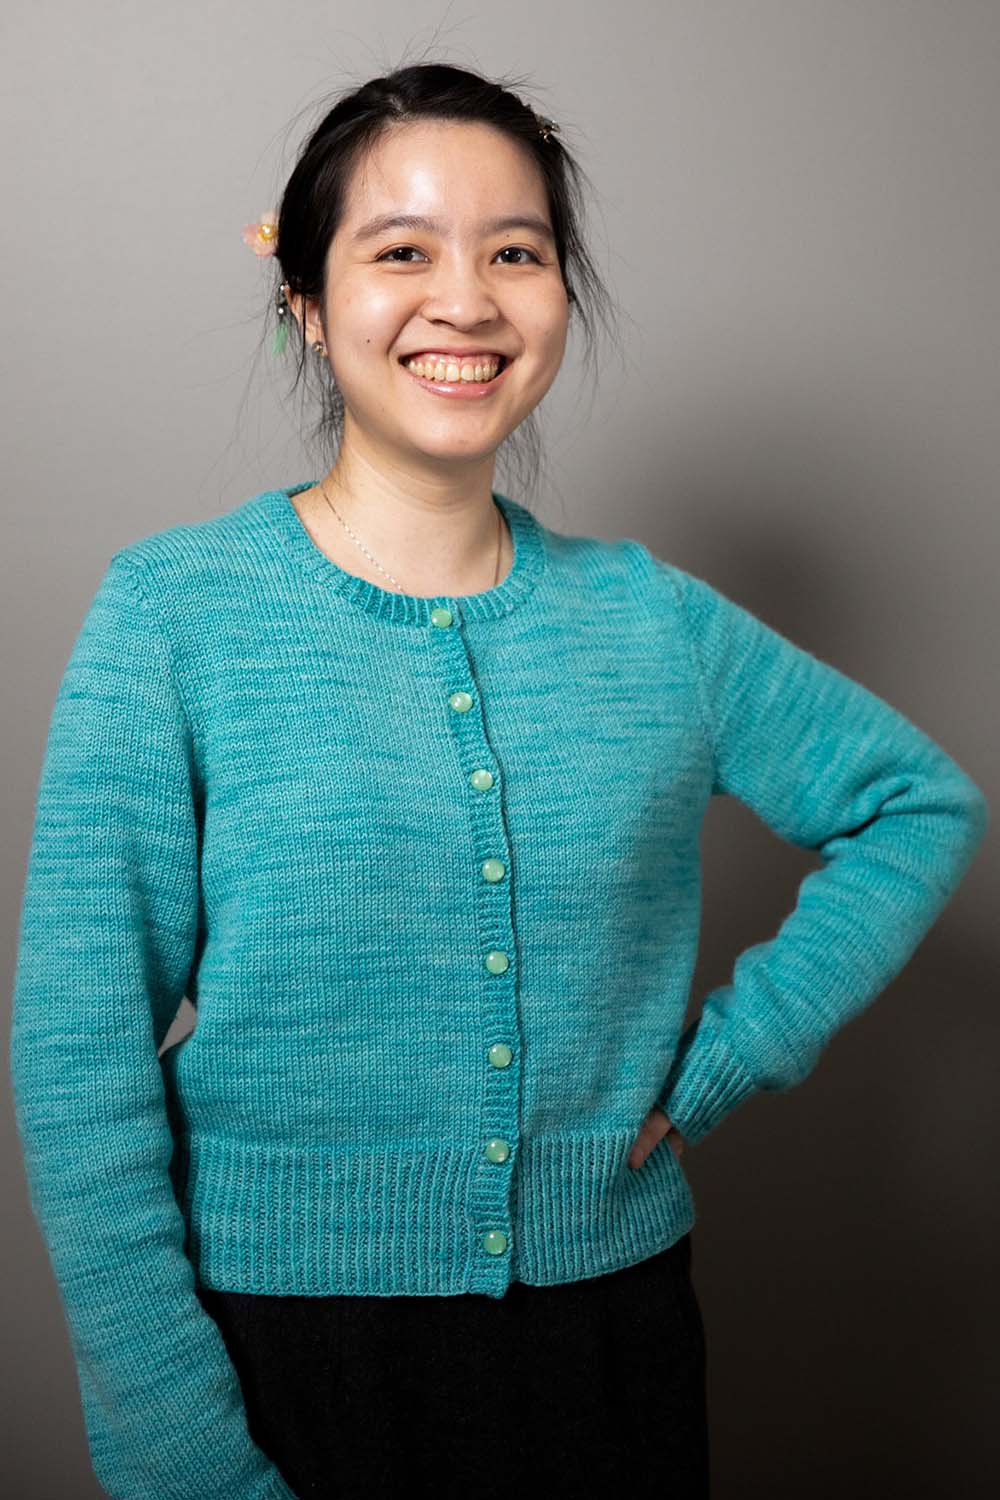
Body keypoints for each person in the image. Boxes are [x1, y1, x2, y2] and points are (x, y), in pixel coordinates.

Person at [9, 60, 989, 1500]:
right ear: (305, 298)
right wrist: (175, 1450)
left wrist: (731, 1055)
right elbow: (78, 1054)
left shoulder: (654, 623)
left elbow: (918, 806)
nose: (464, 301)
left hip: (611, 1351)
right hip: (281, 1363)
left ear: (559, 297)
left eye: (515, 253)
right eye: (399, 252)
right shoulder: (175, 617)